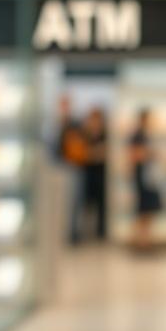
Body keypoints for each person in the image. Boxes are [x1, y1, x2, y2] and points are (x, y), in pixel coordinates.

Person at [128, 108, 163, 250]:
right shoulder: (137, 135)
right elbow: (135, 155)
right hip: (142, 178)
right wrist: (151, 153)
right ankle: (140, 241)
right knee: (143, 211)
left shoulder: (145, 135)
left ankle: (145, 240)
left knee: (148, 211)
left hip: (147, 177)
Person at [56, 95, 88, 245]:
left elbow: (78, 147)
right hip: (59, 169)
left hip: (73, 167)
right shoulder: (57, 124)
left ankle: (74, 233)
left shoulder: (75, 124)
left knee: (74, 202)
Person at [82, 107, 109, 241]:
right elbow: (85, 154)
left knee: (102, 204)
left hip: (101, 174)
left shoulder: (105, 134)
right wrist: (93, 154)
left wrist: (94, 153)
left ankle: (101, 232)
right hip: (88, 174)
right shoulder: (85, 134)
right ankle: (87, 232)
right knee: (87, 203)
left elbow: (104, 152)